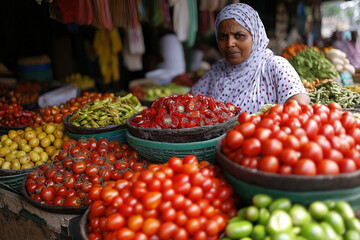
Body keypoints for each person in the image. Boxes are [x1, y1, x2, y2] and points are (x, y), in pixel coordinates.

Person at [191, 3, 310, 114]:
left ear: (255, 36)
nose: (229, 43)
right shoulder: (217, 70)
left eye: (239, 36)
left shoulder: (275, 66)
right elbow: (189, 103)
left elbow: (299, 105)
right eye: (223, 37)